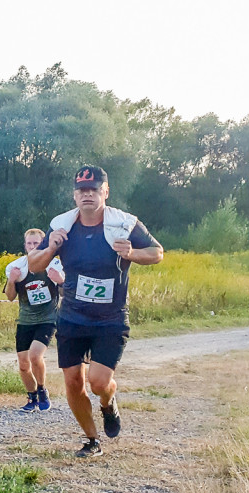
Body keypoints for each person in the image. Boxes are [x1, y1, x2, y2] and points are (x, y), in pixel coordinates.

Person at [28, 166, 163, 458]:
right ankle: (91, 440)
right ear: (75, 195)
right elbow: (34, 264)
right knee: (73, 381)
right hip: (72, 317)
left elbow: (157, 253)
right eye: (81, 190)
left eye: (93, 189)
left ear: (105, 192)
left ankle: (107, 402)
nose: (87, 194)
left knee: (99, 382)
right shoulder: (62, 225)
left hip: (110, 318)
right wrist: (51, 248)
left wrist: (132, 254)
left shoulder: (124, 224)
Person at [4, 229, 64, 412]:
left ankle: (42, 389)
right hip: (25, 320)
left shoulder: (54, 265)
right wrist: (12, 281)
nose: (32, 247)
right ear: (25, 245)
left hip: (47, 318)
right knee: (23, 365)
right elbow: (10, 297)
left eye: (36, 244)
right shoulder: (16, 267)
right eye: (29, 244)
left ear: (43, 244)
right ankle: (32, 397)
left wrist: (60, 281)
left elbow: (65, 293)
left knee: (35, 356)